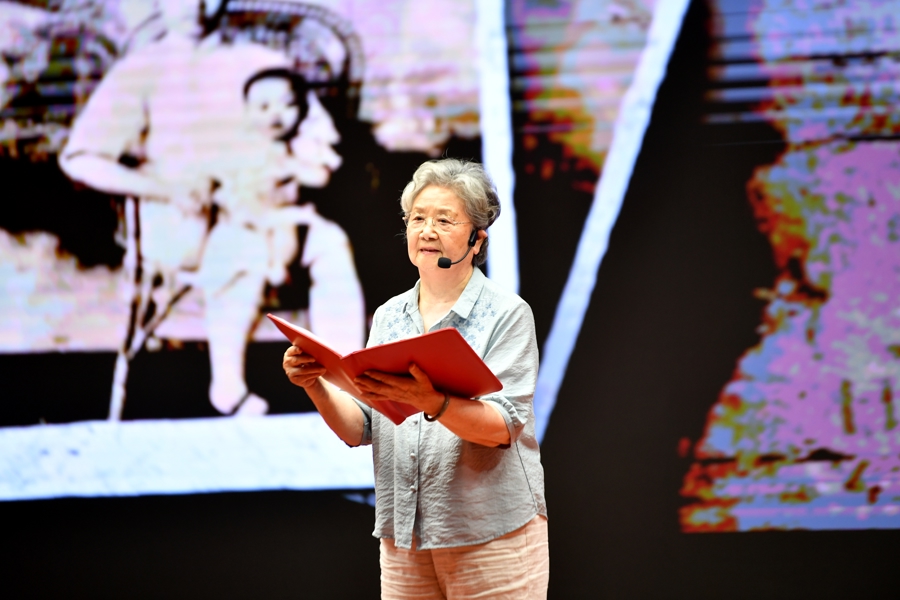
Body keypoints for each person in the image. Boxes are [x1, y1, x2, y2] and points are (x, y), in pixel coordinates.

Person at [282, 158, 548, 599]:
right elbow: (361, 426)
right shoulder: (389, 316)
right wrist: (314, 382)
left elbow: (503, 427)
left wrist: (433, 402)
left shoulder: (508, 313)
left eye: (444, 220)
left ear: (477, 239)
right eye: (417, 218)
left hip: (492, 536)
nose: (427, 230)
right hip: (405, 537)